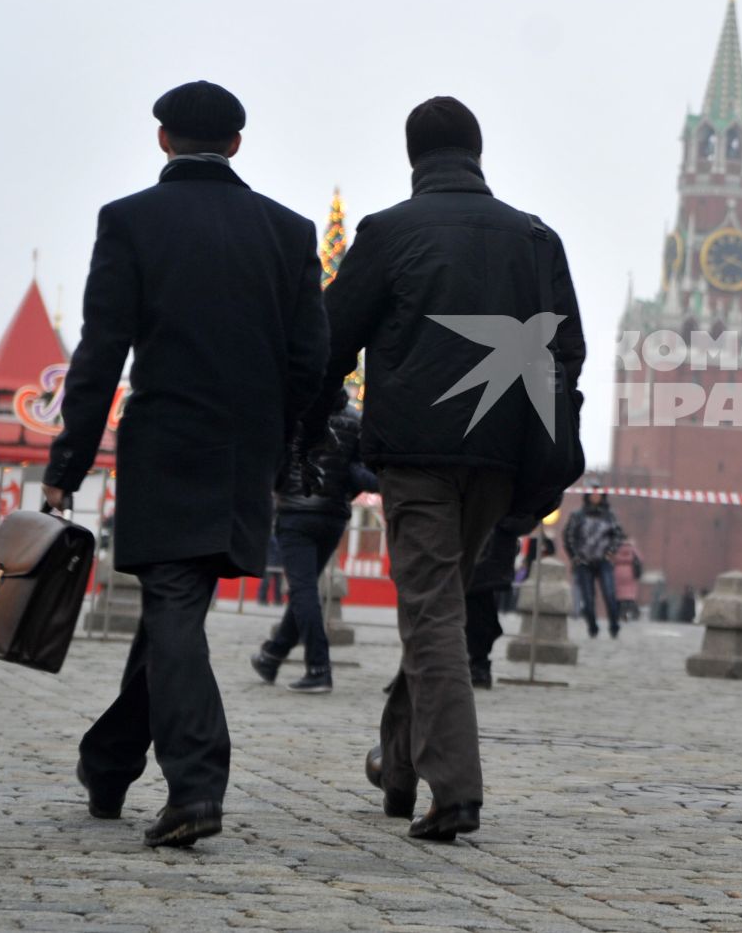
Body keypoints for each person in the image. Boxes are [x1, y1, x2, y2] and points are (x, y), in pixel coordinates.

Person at [45, 81, 328, 849]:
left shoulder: (130, 220)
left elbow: (101, 352)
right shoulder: (288, 231)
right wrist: (284, 446)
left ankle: (197, 786)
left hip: (166, 447)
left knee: (171, 607)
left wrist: (66, 463)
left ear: (163, 138)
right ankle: (108, 761)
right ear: (237, 144)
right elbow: (311, 362)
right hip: (245, 458)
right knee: (176, 610)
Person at [306, 95, 584, 842]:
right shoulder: (536, 239)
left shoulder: (389, 233)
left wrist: (311, 424)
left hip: (419, 457)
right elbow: (568, 355)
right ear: (479, 151)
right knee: (436, 607)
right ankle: (397, 767)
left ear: (412, 158)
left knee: (431, 613)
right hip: (500, 459)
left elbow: (328, 343)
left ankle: (454, 788)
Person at [250, 390, 376, 694]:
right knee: (305, 589)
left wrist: (280, 489)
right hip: (333, 516)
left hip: (295, 512)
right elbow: (360, 473)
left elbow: (274, 462)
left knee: (303, 590)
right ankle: (273, 654)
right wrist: (343, 495)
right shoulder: (356, 420)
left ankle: (318, 667)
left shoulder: (294, 415)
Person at [464, 521, 528, 689]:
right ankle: (476, 662)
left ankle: (478, 663)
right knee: (476, 606)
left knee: (479, 606)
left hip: (490, 545)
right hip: (475, 541)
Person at [563, 484, 624, 638]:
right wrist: (575, 556)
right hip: (583, 562)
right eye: (593, 494)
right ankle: (592, 627)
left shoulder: (609, 516)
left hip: (604, 560)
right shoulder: (578, 515)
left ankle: (614, 626)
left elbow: (618, 535)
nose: (595, 497)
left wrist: (610, 552)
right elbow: (569, 536)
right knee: (588, 599)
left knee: (610, 594)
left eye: (598, 494)